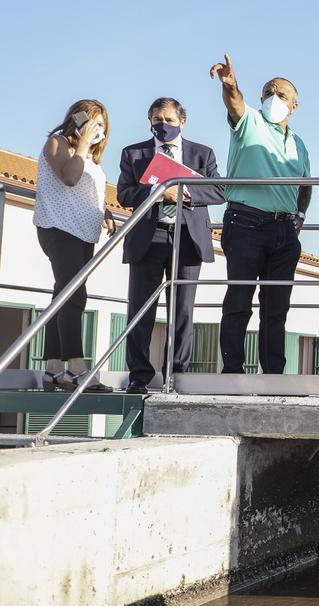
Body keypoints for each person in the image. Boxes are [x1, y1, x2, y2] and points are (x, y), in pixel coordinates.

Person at [208, 54, 311, 375]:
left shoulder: (298, 143)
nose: (273, 99)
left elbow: (306, 183)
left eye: (281, 95)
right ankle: (233, 370)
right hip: (245, 223)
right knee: (239, 300)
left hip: (283, 231)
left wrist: (301, 214)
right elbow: (234, 103)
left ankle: (273, 375)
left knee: (276, 308)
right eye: (268, 93)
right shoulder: (249, 121)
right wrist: (230, 85)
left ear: (294, 106)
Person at [116, 97, 224, 394]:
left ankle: (175, 375)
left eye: (170, 120)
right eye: (157, 120)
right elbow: (124, 194)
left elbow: (218, 190)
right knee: (140, 309)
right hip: (148, 238)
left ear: (182, 121)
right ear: (150, 122)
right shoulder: (134, 153)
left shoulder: (203, 154)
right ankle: (139, 375)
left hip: (187, 238)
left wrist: (185, 193)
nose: (163, 126)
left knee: (182, 310)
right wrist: (157, 190)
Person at [33, 100, 118, 392]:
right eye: (92, 122)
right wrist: (81, 144)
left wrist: (103, 212)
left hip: (83, 233)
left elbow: (84, 188)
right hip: (58, 228)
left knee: (63, 294)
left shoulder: (92, 160)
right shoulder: (57, 144)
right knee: (74, 295)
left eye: (101, 125)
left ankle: (53, 369)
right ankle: (76, 369)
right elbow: (69, 177)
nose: (98, 129)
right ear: (77, 120)